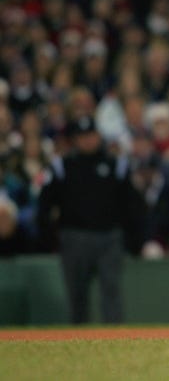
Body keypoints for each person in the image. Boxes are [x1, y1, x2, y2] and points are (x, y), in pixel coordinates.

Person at [37, 115, 144, 324]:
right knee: (77, 295)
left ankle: (115, 340)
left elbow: (132, 204)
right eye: (83, 136)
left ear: (99, 136)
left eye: (92, 135)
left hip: (110, 237)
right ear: (75, 139)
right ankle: (77, 341)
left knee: (111, 292)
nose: (88, 140)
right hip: (75, 237)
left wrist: (135, 238)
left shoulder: (116, 165)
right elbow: (45, 205)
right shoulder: (62, 166)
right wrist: (49, 238)